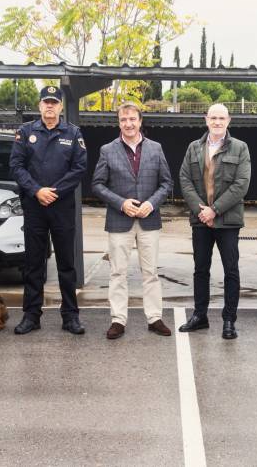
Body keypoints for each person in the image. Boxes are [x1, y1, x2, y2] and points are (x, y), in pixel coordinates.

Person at [9, 85, 87, 335]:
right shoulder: (26, 132)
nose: (50, 106)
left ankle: (70, 316)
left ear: (61, 106)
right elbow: (16, 166)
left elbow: (79, 167)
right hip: (34, 207)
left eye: (54, 102)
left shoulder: (73, 133)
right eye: (46, 102)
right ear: (40, 105)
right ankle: (31, 315)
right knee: (33, 263)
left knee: (66, 264)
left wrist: (53, 191)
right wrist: (36, 191)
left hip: (62, 207)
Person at [91, 102, 173, 339]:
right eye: (123, 120)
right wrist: (121, 203)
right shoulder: (108, 150)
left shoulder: (156, 149)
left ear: (140, 121)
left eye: (132, 119)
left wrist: (151, 204)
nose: (128, 124)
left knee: (151, 272)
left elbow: (167, 183)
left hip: (149, 220)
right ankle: (118, 320)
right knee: (118, 273)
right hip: (119, 220)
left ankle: (154, 317)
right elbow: (97, 184)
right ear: (119, 123)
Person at [177, 103, 251, 340]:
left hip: (227, 221)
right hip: (200, 220)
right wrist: (202, 211)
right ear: (206, 120)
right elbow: (185, 179)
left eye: (222, 118)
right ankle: (200, 316)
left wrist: (214, 211)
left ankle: (229, 320)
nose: (217, 122)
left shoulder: (240, 148)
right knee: (201, 270)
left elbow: (241, 184)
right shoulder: (194, 148)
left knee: (231, 270)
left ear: (228, 121)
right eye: (213, 118)